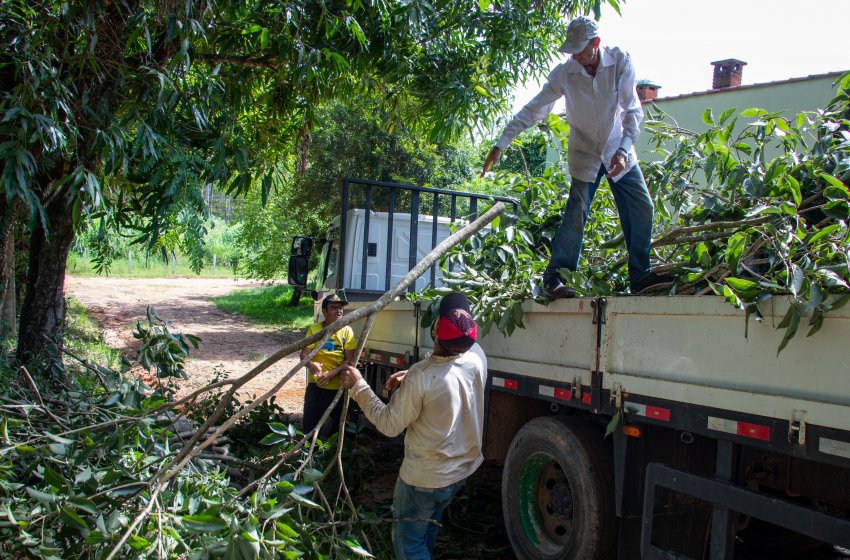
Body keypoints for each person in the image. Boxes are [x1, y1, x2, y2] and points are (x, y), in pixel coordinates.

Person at [482, 15, 673, 297]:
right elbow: (534, 109)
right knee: (576, 214)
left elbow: (632, 110)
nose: (575, 56)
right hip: (584, 152)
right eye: (571, 51)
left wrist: (622, 150)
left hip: (617, 149)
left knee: (642, 207)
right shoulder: (565, 73)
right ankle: (554, 278)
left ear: (596, 43)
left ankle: (640, 276)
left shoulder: (620, 61)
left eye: (579, 50)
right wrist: (501, 143)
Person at [339, 292, 487, 560]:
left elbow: (389, 425)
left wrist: (359, 386)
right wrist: (413, 377)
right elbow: (447, 368)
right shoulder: (477, 358)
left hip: (425, 478)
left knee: (409, 545)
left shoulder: (422, 376)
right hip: (460, 473)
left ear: (435, 334)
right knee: (429, 526)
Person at [300, 293, 356, 437]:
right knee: (310, 425)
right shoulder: (315, 329)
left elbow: (349, 360)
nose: (338, 311)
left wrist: (331, 374)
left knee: (337, 427)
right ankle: (308, 454)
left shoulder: (347, 331)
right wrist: (312, 365)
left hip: (337, 387)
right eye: (333, 308)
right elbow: (304, 355)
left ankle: (331, 455)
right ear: (324, 311)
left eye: (340, 308)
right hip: (316, 385)